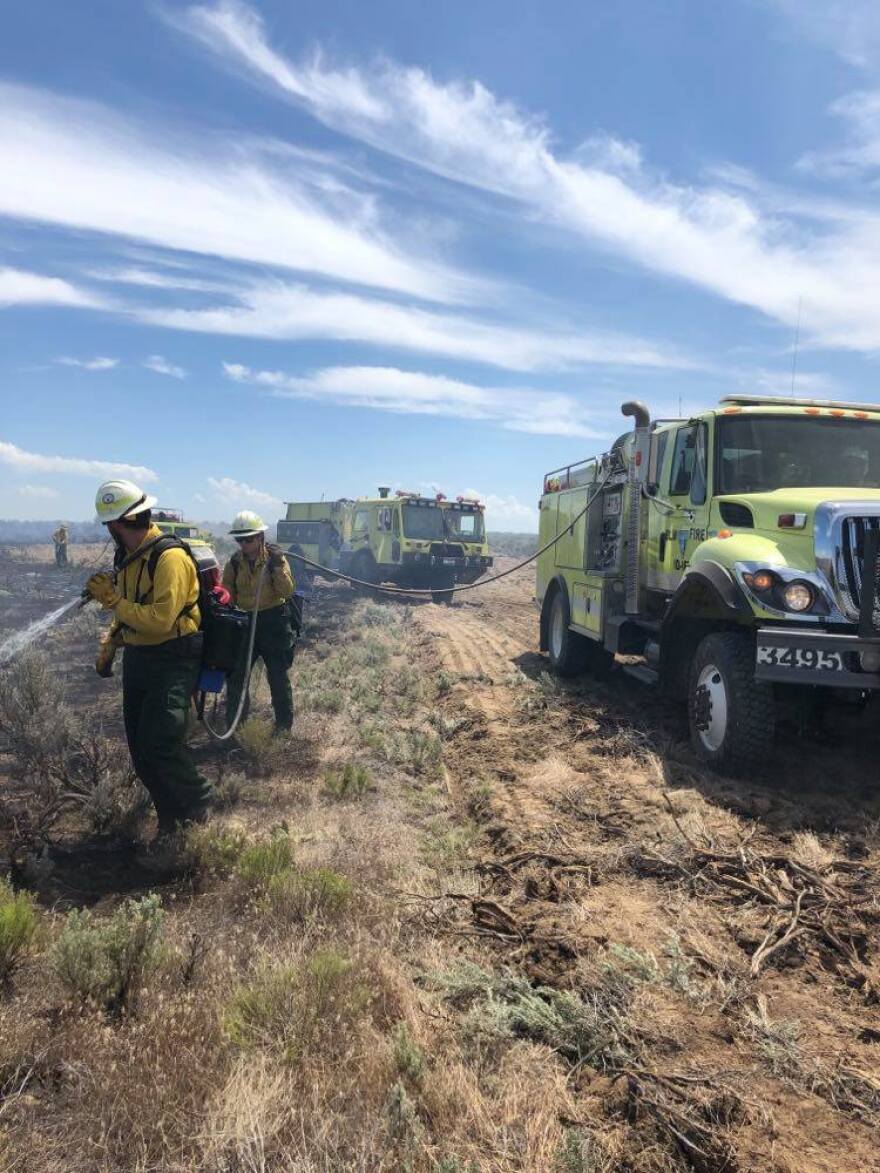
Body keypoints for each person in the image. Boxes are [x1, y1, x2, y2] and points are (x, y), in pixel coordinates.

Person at [84, 479, 213, 834]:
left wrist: (111, 600)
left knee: (162, 743)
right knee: (142, 753)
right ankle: (171, 823)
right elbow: (130, 609)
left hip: (173, 658)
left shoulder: (169, 557)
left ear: (116, 524)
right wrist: (113, 638)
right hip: (140, 659)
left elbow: (159, 621)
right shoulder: (127, 557)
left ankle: (202, 807)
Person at [223, 511, 296, 735]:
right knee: (237, 677)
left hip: (273, 622)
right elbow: (227, 595)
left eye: (249, 539)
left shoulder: (276, 560)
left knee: (277, 675)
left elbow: (288, 591)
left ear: (260, 537)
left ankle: (283, 727)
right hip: (245, 624)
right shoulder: (234, 564)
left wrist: (275, 566)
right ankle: (237, 727)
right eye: (240, 539)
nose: (244, 544)